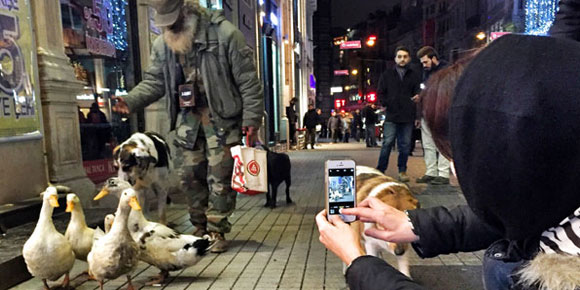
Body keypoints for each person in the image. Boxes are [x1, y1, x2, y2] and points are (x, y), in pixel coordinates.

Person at [316, 26, 580, 290]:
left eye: (462, 151)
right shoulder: (560, 193)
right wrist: (415, 225)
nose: (455, 170)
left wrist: (357, 261)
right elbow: (509, 219)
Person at [112, 0, 264, 253]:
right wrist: (130, 100)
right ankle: (199, 227)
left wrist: (251, 121)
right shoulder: (163, 45)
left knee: (220, 179)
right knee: (189, 178)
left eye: (173, 22)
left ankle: (217, 229)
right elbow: (154, 81)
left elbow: (249, 82)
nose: (169, 28)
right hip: (188, 123)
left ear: (187, 13)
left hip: (222, 121)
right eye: (165, 25)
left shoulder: (226, 35)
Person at [376, 46, 421, 181]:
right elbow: (380, 91)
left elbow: (418, 93)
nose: (402, 59)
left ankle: (402, 171)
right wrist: (386, 103)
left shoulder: (414, 75)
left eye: (405, 57)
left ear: (409, 58)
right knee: (387, 143)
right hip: (392, 115)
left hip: (407, 115)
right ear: (395, 58)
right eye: (400, 56)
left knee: (405, 145)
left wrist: (417, 100)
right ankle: (381, 169)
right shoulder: (387, 74)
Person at [415, 46, 450, 185]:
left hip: (439, 111)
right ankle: (431, 172)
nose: (424, 65)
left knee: (441, 142)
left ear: (433, 58)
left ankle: (443, 174)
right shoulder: (427, 72)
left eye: (425, 62)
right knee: (428, 144)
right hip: (428, 111)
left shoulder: (446, 70)